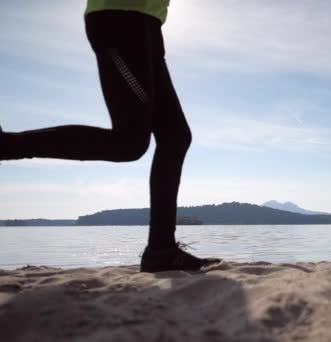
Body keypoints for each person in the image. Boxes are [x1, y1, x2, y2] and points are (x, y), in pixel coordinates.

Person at [0, 0, 221, 272]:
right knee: (129, 143)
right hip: (120, 19)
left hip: (149, 25)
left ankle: (161, 251)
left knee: (175, 136)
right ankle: (6, 146)